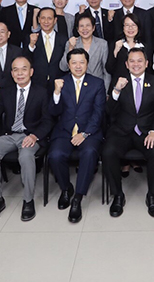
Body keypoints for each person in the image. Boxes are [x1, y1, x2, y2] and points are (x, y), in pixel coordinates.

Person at [0, 56, 53, 222]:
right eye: (15, 70)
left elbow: (48, 120)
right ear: (12, 73)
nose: (20, 73)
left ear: (31, 72)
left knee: (26, 156)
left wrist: (35, 136)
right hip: (9, 135)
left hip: (31, 135)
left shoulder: (41, 92)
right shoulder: (5, 92)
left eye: (24, 69)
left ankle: (28, 200)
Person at [102, 48, 154, 218]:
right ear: (126, 64)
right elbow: (108, 111)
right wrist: (116, 91)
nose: (136, 64)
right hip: (122, 131)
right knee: (108, 152)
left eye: (140, 61)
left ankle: (152, 195)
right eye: (132, 61)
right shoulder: (119, 81)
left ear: (146, 63)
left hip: (146, 132)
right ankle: (117, 195)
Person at [48, 49, 106, 223]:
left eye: (82, 62)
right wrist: (56, 93)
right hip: (64, 131)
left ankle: (78, 198)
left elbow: (98, 113)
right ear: (68, 65)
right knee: (55, 155)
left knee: (89, 153)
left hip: (89, 131)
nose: (78, 66)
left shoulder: (97, 83)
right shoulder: (60, 82)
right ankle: (66, 189)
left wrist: (85, 133)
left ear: (87, 64)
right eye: (74, 62)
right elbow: (53, 112)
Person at [60, 14, 110, 90]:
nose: (85, 29)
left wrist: (104, 90)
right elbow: (63, 68)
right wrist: (70, 49)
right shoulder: (71, 43)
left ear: (93, 28)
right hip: (76, 87)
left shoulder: (102, 44)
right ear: (77, 29)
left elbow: (106, 71)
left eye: (88, 25)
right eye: (81, 26)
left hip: (96, 86)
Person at [25, 7, 67, 93]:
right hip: (36, 84)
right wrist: (31, 45)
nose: (46, 22)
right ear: (39, 20)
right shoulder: (30, 38)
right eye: (43, 18)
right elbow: (26, 60)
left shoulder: (63, 39)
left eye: (49, 18)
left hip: (58, 84)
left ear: (55, 20)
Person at [106, 13, 146, 91]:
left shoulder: (144, 46)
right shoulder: (116, 44)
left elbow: (149, 70)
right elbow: (109, 69)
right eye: (127, 25)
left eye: (133, 25)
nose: (130, 28)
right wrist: (115, 51)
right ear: (123, 28)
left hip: (139, 86)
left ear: (138, 27)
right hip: (119, 86)